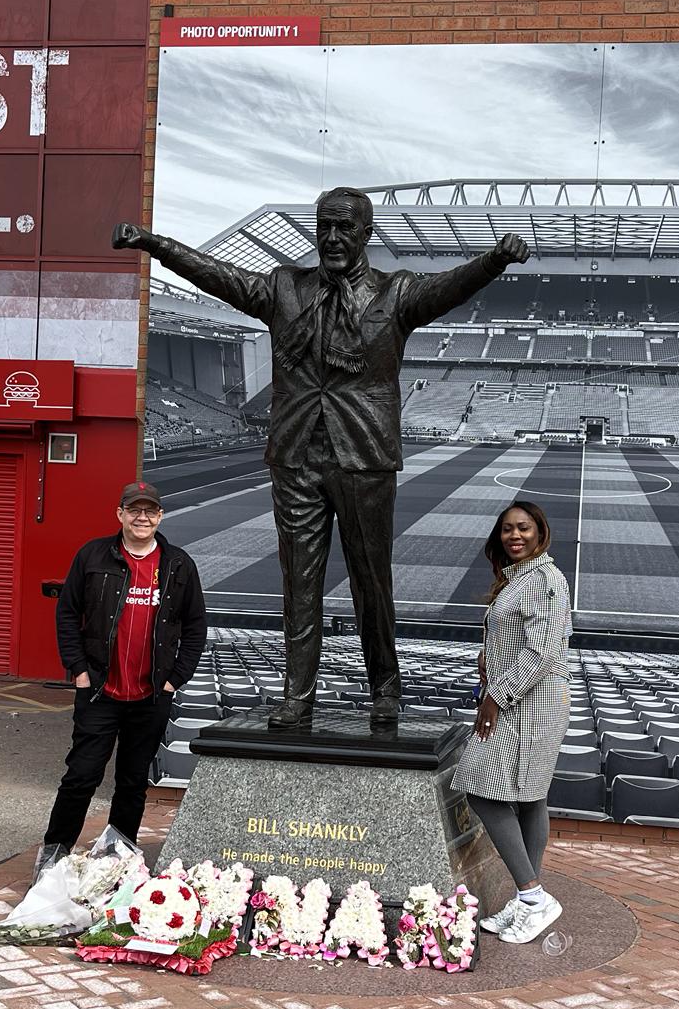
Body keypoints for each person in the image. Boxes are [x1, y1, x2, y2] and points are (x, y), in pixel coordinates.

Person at [113, 188, 529, 729]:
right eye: (324, 227)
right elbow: (217, 275)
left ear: (366, 233)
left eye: (344, 228)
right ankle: (298, 696)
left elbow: (446, 289)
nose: (332, 238)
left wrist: (494, 259)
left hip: (363, 454)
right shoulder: (286, 286)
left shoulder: (395, 293)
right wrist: (153, 243)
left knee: (371, 579)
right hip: (295, 455)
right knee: (298, 582)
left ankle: (385, 688)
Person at [33, 481, 208, 881]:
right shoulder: (93, 556)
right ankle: (54, 855)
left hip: (150, 696)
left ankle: (118, 862)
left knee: (132, 783)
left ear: (160, 516)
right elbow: (67, 614)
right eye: (134, 510)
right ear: (120, 514)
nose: (142, 517)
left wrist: (174, 679)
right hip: (99, 692)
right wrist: (78, 670)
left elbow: (196, 625)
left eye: (150, 511)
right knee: (81, 777)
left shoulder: (178, 565)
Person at [452, 500, 571, 944]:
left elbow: (541, 653)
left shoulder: (544, 580)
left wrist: (495, 698)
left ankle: (534, 896)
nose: (513, 536)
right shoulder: (519, 579)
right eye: (506, 529)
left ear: (540, 532)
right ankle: (529, 900)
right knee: (530, 796)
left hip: (530, 702)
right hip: (524, 698)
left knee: (482, 790)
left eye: (523, 528)